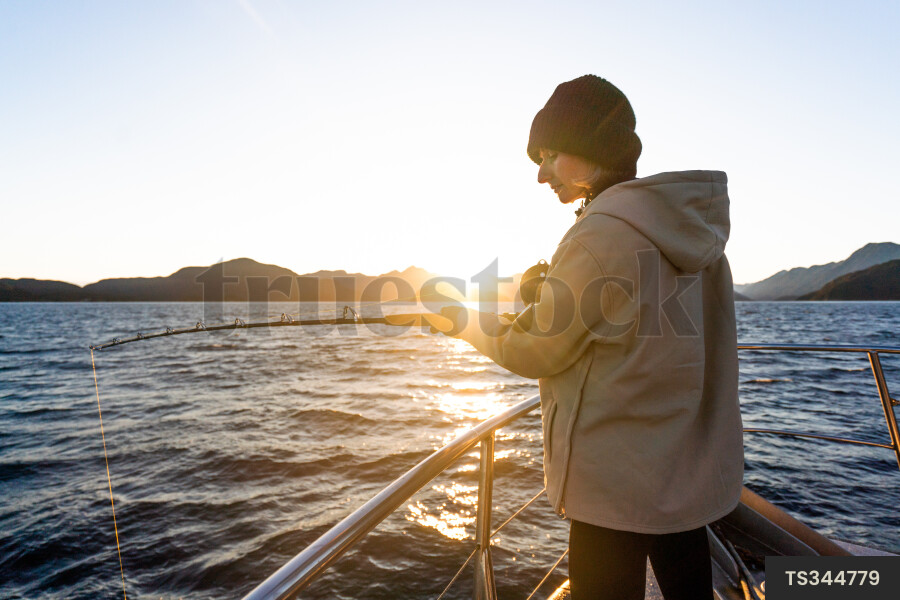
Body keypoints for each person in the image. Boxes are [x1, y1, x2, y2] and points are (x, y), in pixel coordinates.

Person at [436, 75, 744, 599]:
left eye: (549, 155)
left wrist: (462, 320)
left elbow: (534, 349)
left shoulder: (599, 234)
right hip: (680, 477)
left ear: (590, 150)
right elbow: (639, 322)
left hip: (613, 487)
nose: (540, 174)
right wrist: (547, 292)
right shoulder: (692, 233)